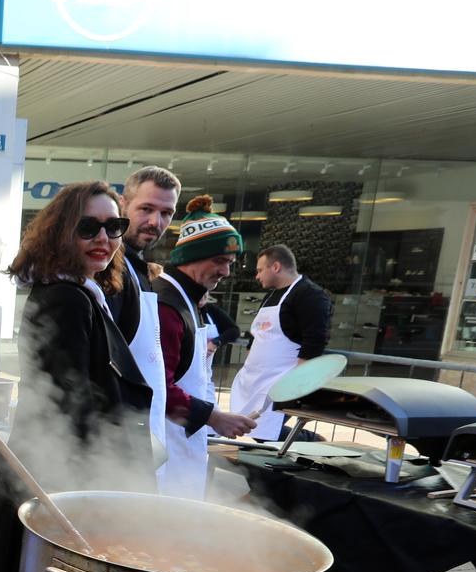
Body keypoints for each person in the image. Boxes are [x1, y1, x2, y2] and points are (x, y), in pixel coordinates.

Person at [0, 180, 153, 572]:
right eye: (88, 227)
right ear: (61, 232)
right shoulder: (66, 299)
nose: (104, 238)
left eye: (114, 226)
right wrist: (100, 484)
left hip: (59, 468)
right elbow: (68, 405)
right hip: (62, 475)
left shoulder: (81, 291)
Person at [154, 196, 256, 498]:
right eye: (220, 261)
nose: (226, 272)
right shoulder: (167, 305)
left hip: (185, 438)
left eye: (230, 263)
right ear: (192, 256)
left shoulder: (191, 299)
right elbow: (159, 386)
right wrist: (214, 417)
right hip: (167, 445)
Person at [108, 166, 180, 480]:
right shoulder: (111, 269)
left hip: (141, 432)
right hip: (116, 441)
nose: (155, 222)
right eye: (146, 209)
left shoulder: (140, 269)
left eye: (166, 213)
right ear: (123, 204)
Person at [229, 244, 334, 441]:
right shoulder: (271, 295)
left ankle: (313, 442)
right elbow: (258, 333)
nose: (257, 276)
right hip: (257, 379)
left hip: (282, 379)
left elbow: (315, 339)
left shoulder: (310, 294)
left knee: (264, 431)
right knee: (252, 428)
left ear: (275, 267)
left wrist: (296, 383)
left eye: (260, 270)